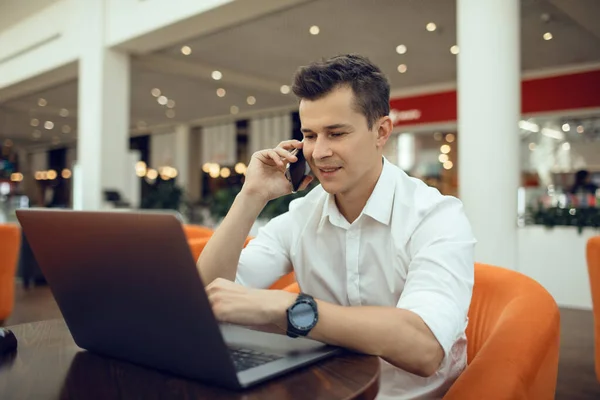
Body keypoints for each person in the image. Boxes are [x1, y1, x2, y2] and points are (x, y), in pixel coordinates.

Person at [197, 54, 476, 399]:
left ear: (381, 131)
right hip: (325, 389)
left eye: (336, 133)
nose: (319, 152)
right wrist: (251, 196)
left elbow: (424, 348)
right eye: (310, 135)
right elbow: (207, 296)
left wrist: (289, 309)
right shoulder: (302, 215)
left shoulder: (436, 217)